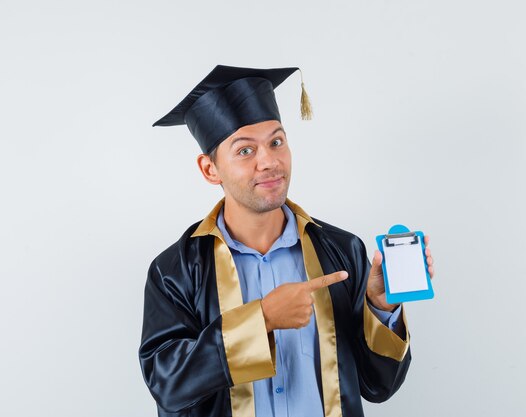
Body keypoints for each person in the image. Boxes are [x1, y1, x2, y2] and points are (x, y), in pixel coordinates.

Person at [138, 65, 436, 417]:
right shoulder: (178, 270)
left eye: (276, 142)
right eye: (245, 151)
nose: (269, 162)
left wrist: (380, 309)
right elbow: (167, 385)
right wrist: (260, 320)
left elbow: (379, 386)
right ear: (210, 169)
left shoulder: (341, 252)